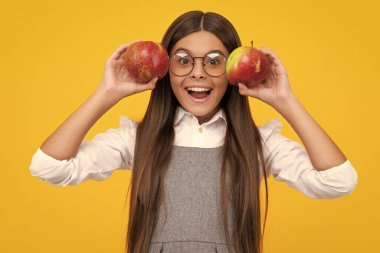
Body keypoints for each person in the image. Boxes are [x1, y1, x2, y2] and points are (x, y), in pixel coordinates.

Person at [29, 10, 358, 253]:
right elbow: (49, 166)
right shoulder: (137, 140)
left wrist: (286, 101)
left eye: (214, 61)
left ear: (231, 71)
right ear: (165, 68)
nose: (198, 73)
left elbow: (339, 181)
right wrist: (107, 93)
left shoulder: (259, 144)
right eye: (183, 60)